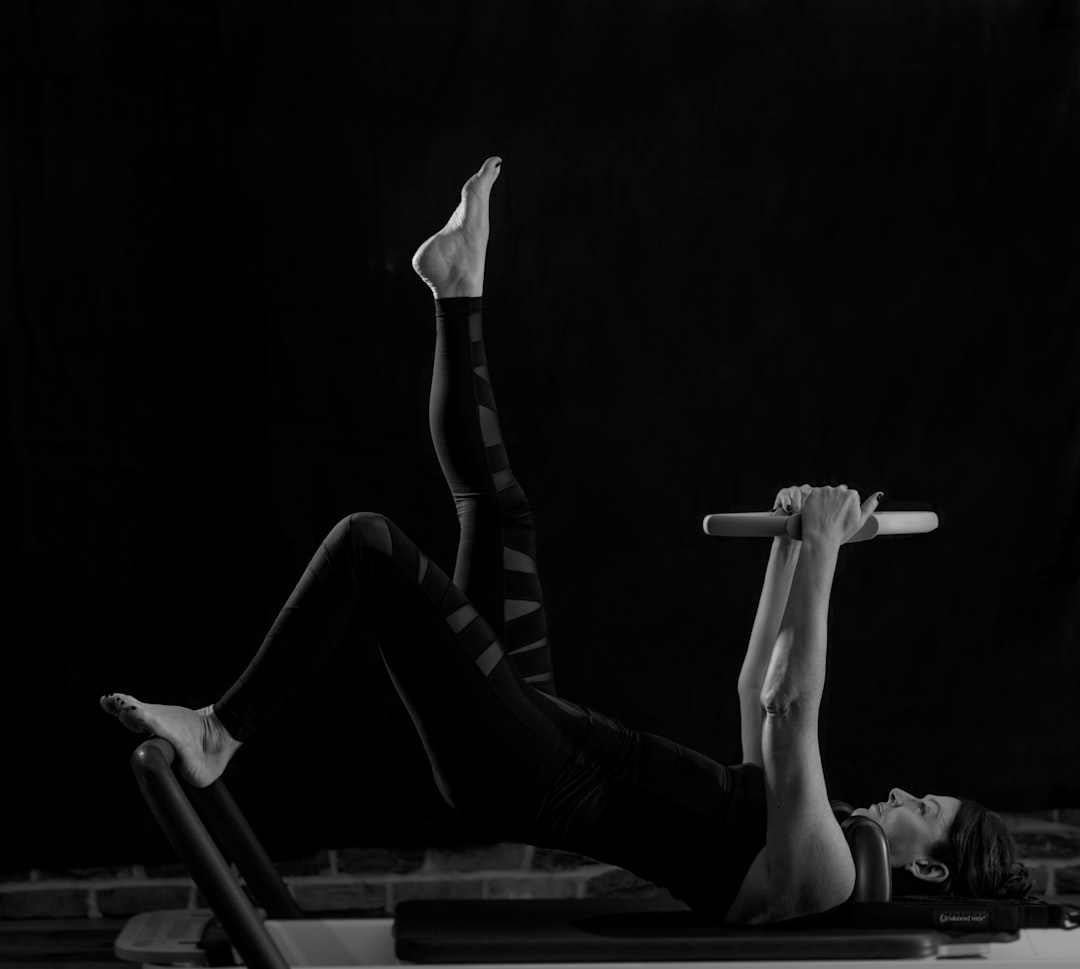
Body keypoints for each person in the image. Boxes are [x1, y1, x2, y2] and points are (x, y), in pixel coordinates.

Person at [100, 157, 1032, 923]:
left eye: (924, 810)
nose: (902, 796)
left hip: (524, 768)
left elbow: (793, 709)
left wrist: (827, 551)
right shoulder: (814, 827)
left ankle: (221, 730)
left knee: (368, 543)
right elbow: (755, 689)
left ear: (935, 870)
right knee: (499, 510)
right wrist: (795, 537)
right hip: (542, 726)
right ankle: (457, 284)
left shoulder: (825, 878)